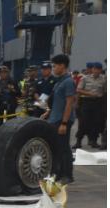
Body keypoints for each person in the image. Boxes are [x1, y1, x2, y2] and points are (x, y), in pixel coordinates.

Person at [42, 54, 76, 184]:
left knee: (64, 148)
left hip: (62, 120)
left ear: (62, 65)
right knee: (57, 147)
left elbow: (69, 103)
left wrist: (64, 123)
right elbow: (58, 101)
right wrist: (49, 112)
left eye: (54, 66)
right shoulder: (59, 81)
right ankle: (59, 173)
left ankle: (67, 175)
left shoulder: (68, 82)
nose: (53, 69)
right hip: (54, 118)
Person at [75, 62, 106, 149]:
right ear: (92, 69)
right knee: (83, 122)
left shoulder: (103, 79)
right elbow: (79, 90)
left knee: (96, 122)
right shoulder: (85, 78)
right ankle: (78, 141)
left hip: (98, 103)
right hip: (87, 102)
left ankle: (94, 141)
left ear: (100, 70)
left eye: (98, 69)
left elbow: (105, 91)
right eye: (95, 69)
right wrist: (89, 94)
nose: (96, 71)